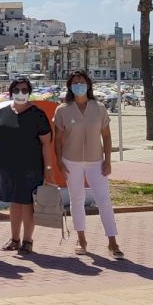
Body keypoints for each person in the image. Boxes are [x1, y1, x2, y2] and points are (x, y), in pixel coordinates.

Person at [54, 70, 123, 258]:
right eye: (75, 82)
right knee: (77, 200)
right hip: (71, 161)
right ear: (70, 86)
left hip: (96, 161)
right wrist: (59, 161)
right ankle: (81, 239)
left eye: (82, 82)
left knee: (104, 200)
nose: (79, 85)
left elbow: (106, 136)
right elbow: (57, 139)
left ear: (88, 85)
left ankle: (112, 242)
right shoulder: (63, 110)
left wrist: (108, 160)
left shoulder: (99, 108)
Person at [0, 78, 53, 254]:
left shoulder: (37, 114)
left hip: (31, 167)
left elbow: (46, 143)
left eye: (24, 90)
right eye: (16, 90)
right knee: (14, 203)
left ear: (29, 92)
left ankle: (27, 240)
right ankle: (14, 239)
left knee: (28, 204)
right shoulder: (2, 113)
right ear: (11, 92)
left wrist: (48, 168)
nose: (20, 93)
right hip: (7, 167)